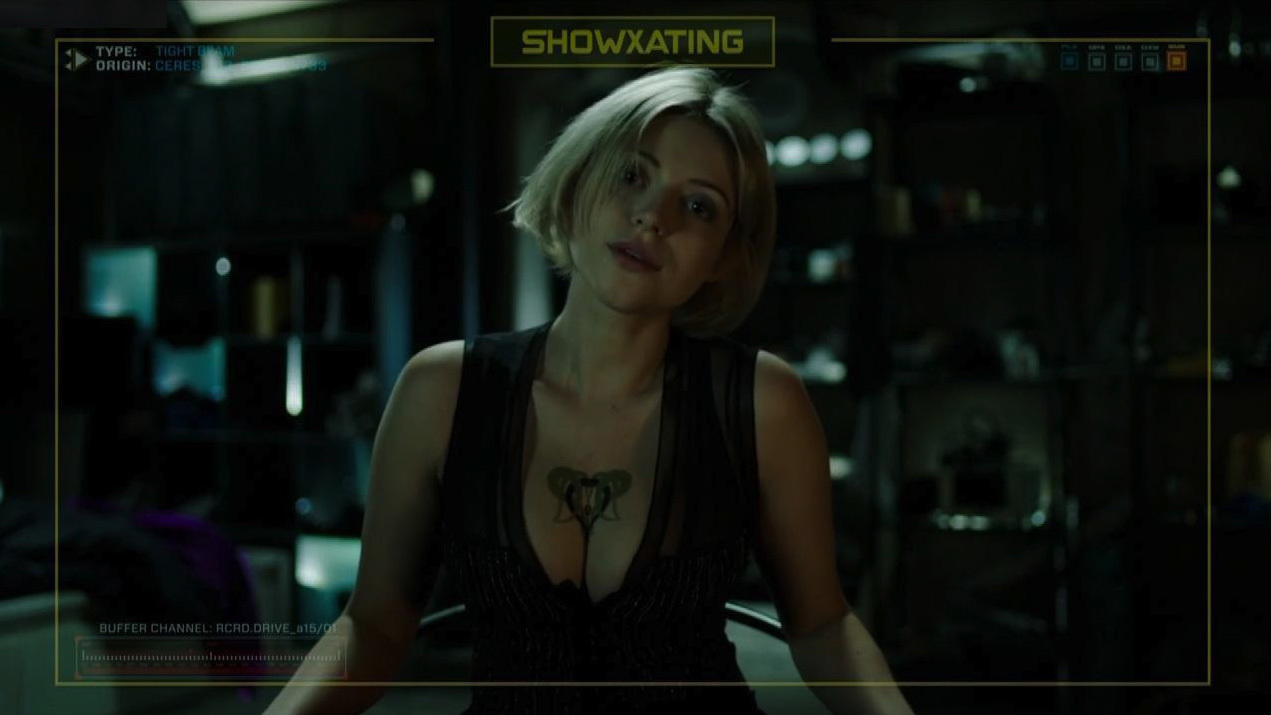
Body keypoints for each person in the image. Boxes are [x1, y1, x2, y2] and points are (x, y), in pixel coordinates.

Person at [263, 65, 914, 715]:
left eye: (698, 206)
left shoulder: (761, 401)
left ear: (721, 256)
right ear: (576, 183)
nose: (652, 217)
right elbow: (373, 627)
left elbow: (822, 626)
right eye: (631, 174)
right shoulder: (441, 389)